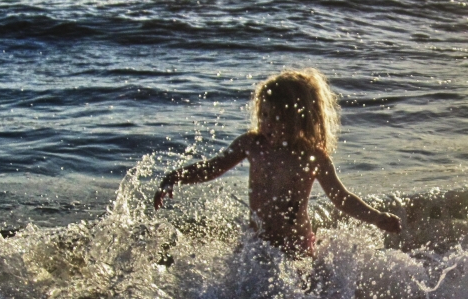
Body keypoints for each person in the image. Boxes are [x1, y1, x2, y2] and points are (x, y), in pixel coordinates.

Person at [154, 69, 401, 256]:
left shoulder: (312, 156)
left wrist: (376, 217)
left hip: (296, 245)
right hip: (256, 242)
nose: (267, 124)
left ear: (298, 120)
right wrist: (176, 176)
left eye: (276, 118)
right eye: (263, 116)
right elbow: (214, 167)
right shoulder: (252, 144)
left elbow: (341, 197)